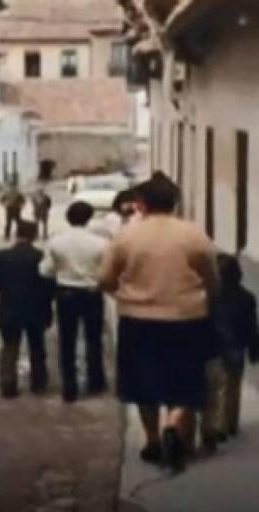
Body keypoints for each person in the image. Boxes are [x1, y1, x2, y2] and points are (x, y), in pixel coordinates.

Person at [99, 172, 219, 472]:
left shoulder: (126, 236)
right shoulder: (193, 234)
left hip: (138, 319)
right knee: (185, 380)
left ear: (140, 204)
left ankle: (152, 440)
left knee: (143, 383)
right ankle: (174, 422)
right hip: (186, 318)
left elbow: (104, 279)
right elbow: (212, 278)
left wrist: (123, 295)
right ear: (175, 202)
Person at [40, 201, 109, 403]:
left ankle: (69, 386)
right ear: (89, 218)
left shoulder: (56, 242)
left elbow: (46, 270)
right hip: (91, 292)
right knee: (93, 339)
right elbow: (106, 270)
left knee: (67, 340)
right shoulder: (100, 243)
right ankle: (95, 380)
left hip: (66, 293)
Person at [0, 220, 56, 399]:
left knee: (9, 347)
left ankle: (8, 384)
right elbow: (50, 286)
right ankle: (38, 383)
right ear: (34, 235)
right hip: (36, 308)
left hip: (9, 307)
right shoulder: (41, 257)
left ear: (17, 234)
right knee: (37, 346)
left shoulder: (0, 257)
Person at [201, 254, 259, 450]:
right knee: (233, 387)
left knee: (217, 387)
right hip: (236, 345)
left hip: (214, 345)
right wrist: (253, 348)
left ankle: (218, 425)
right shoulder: (247, 297)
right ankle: (230, 423)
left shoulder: (209, 297)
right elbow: (252, 326)